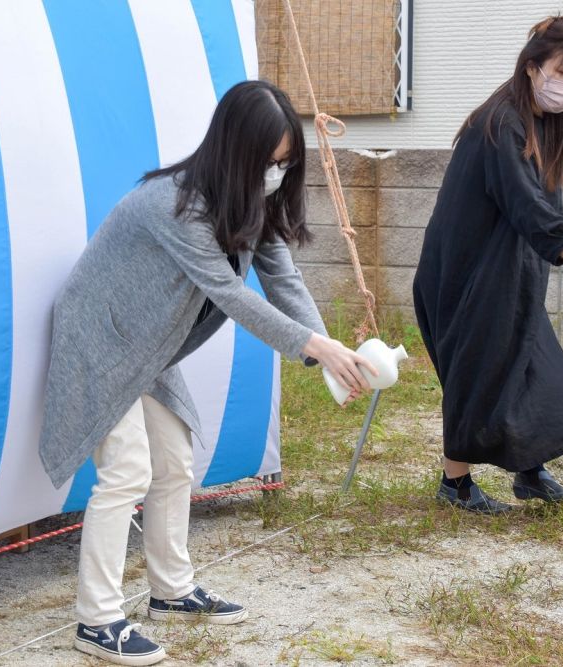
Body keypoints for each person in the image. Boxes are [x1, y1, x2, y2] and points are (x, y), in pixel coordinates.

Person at [38, 80, 376, 666]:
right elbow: (229, 293)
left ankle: (170, 591)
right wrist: (317, 348)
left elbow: (282, 279)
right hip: (102, 337)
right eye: (269, 162)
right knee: (127, 471)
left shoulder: (250, 200)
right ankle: (97, 620)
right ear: (235, 152)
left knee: (175, 461)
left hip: (150, 344)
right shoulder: (174, 205)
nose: (277, 174)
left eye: (286, 163)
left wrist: (330, 350)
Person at [413, 15, 563, 516]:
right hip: (466, 273)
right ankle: (455, 485)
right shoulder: (502, 122)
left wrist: (552, 253)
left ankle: (530, 471)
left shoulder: (541, 123)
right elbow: (524, 202)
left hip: (509, 273)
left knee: (537, 370)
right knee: (477, 373)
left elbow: (544, 201)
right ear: (533, 66)